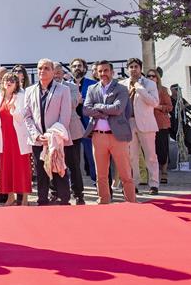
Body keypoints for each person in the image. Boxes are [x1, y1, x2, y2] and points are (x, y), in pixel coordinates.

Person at [22, 59, 73, 206]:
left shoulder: (64, 90)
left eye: (46, 68)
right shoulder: (29, 90)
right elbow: (27, 116)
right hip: (38, 139)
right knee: (41, 172)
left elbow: (65, 116)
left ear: (52, 71)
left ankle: (64, 201)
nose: (42, 71)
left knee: (59, 169)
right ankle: (42, 201)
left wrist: (51, 136)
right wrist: (36, 135)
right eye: (39, 68)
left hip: (56, 139)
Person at [84, 60, 136, 203]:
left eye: (106, 71)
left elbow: (118, 109)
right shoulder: (91, 89)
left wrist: (98, 107)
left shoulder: (121, 89)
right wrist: (106, 110)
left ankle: (131, 201)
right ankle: (104, 199)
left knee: (125, 172)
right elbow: (86, 109)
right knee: (101, 173)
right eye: (100, 71)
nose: (103, 74)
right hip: (98, 136)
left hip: (117, 136)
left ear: (112, 72)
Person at [119, 58, 160, 194]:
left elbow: (154, 102)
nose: (133, 69)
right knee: (131, 156)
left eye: (136, 66)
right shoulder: (122, 84)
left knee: (151, 155)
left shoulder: (149, 84)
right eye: (131, 67)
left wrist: (139, 88)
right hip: (128, 122)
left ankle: (154, 184)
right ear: (127, 69)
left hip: (146, 123)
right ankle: (134, 184)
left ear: (140, 68)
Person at [0, 73, 30, 205]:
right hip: (4, 137)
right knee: (6, 168)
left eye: (12, 80)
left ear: (17, 83)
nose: (8, 82)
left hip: (18, 138)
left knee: (22, 168)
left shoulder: (22, 97)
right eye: (6, 79)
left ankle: (24, 199)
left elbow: (21, 118)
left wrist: (13, 108)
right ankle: (10, 197)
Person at [54, 61, 87, 205]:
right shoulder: (45, 87)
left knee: (73, 164)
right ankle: (55, 193)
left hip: (72, 130)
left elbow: (74, 103)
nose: (56, 75)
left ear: (62, 73)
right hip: (53, 131)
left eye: (58, 72)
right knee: (54, 163)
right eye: (53, 72)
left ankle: (79, 194)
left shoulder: (72, 86)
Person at [146, 69, 173, 184]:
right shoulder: (143, 90)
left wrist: (157, 106)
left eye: (153, 76)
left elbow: (169, 107)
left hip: (160, 123)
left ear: (157, 78)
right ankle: (153, 174)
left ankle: (164, 172)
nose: (151, 78)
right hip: (147, 123)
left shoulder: (162, 90)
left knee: (162, 150)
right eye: (149, 76)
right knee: (151, 150)